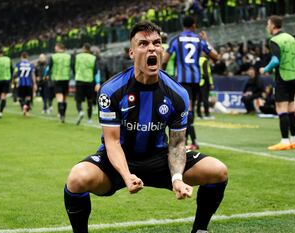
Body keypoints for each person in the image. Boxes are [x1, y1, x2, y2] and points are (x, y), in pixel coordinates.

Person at [63, 21, 228, 233]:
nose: (152, 48)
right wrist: (126, 175)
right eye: (143, 44)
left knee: (217, 170)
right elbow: (112, 142)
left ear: (161, 50)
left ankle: (200, 230)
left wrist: (177, 178)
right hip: (119, 160)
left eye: (157, 43)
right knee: (78, 178)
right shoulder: (111, 90)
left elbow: (177, 143)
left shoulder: (178, 94)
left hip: (160, 159)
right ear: (132, 53)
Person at [162, 15, 219, 150]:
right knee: (190, 109)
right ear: (194, 25)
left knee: (184, 110)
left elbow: (165, 60)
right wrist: (207, 41)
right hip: (196, 80)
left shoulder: (176, 39)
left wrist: (162, 73)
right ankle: (189, 141)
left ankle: (184, 142)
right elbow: (215, 56)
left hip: (182, 80)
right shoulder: (199, 40)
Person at [260, 15, 295, 150]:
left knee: (281, 108)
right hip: (294, 75)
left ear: (273, 25)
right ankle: (294, 140)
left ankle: (284, 141)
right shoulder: (291, 38)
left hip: (282, 76)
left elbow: (276, 60)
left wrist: (265, 69)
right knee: (291, 108)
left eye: (268, 24)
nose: (267, 27)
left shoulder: (274, 40)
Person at [74, 43, 100, 125]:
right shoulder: (93, 58)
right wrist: (97, 83)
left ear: (83, 48)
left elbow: (74, 67)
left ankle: (80, 111)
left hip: (79, 80)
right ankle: (89, 118)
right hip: (89, 81)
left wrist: (77, 74)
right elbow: (96, 71)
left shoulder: (78, 56)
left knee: (78, 100)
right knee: (90, 100)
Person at [47, 43, 72, 123]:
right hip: (66, 79)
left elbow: (48, 68)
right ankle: (63, 115)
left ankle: (61, 115)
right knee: (65, 98)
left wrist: (46, 75)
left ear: (58, 48)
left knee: (59, 98)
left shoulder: (53, 56)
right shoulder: (68, 56)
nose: (54, 48)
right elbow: (72, 67)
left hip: (57, 79)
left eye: (55, 47)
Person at [0, 48, 13, 118]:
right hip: (7, 79)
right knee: (3, 96)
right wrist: (10, 78)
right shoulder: (8, 59)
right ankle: (0, 112)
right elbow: (11, 69)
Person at [15, 52, 36, 116]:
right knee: (28, 97)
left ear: (21, 57)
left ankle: (23, 106)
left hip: (21, 83)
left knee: (20, 97)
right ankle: (26, 109)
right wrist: (34, 83)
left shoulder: (18, 64)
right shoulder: (31, 64)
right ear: (27, 57)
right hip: (29, 83)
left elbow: (15, 73)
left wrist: (14, 82)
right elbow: (33, 75)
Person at [197, 54, 215, 119]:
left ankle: (199, 114)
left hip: (198, 81)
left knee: (199, 99)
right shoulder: (204, 60)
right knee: (205, 99)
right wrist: (210, 83)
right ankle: (207, 114)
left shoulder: (197, 59)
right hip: (205, 82)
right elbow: (207, 73)